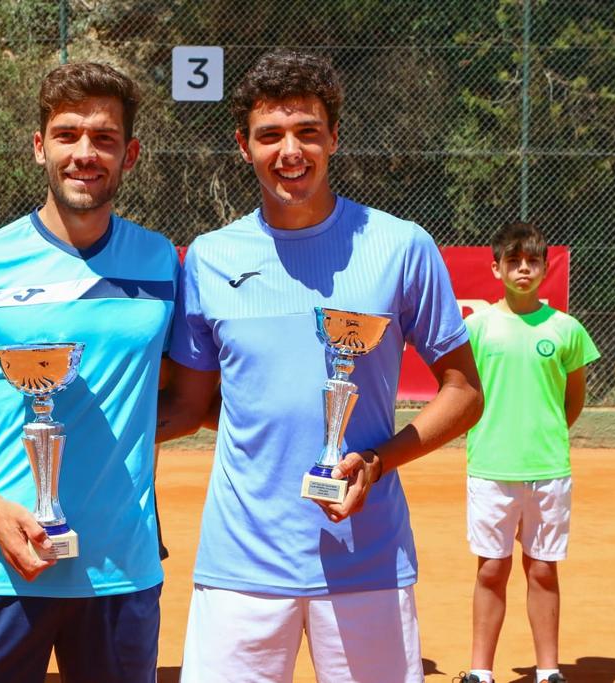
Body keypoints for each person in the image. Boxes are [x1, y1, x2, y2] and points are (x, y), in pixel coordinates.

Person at [157, 50, 483, 683]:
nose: (291, 151)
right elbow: (192, 406)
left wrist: (380, 460)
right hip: (242, 567)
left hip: (367, 561)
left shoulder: (401, 246)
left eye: (307, 130)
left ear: (333, 136)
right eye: (270, 134)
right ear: (243, 145)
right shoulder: (209, 258)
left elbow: (464, 392)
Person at [0, 62, 177, 682]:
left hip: (122, 573)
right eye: (67, 134)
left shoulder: (162, 263)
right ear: (40, 146)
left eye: (104, 138)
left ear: (132, 154)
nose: (84, 153)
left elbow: (186, 397)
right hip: (1, 570)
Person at [458, 222, 600, 683]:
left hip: (548, 469)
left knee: (542, 571)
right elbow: (462, 391)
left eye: (533, 261)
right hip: (490, 468)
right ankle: (481, 671)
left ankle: (548, 671)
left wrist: (549, 433)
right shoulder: (475, 328)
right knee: (491, 570)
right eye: (514, 261)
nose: (524, 268)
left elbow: (573, 397)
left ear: (544, 267)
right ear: (496, 266)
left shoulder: (566, 329)